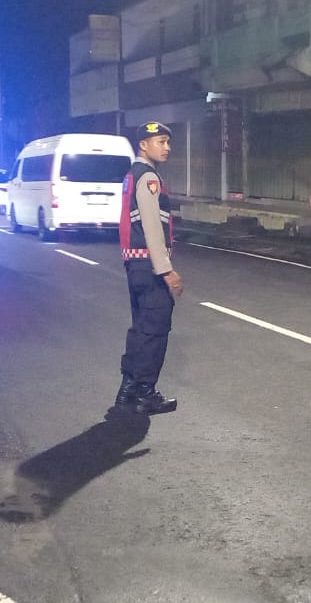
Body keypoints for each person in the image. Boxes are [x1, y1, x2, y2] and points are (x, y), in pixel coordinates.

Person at [114, 122, 182, 415]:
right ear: (143, 145)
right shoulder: (148, 177)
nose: (167, 148)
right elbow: (152, 225)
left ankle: (128, 389)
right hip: (149, 265)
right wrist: (166, 270)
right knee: (155, 330)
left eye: (167, 142)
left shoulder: (132, 175)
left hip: (136, 264)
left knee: (142, 328)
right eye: (161, 142)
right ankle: (145, 393)